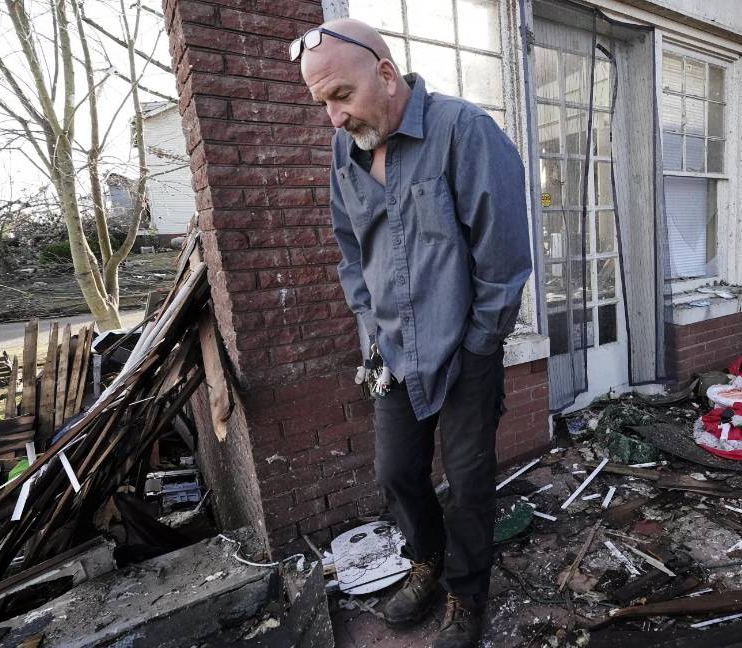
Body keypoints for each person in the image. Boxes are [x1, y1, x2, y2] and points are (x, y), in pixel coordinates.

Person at [295, 18, 532, 648]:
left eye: (340, 96)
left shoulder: (464, 131)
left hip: (464, 349)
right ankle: (427, 562)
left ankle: (466, 593)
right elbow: (352, 253)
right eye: (322, 104)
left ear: (386, 72)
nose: (334, 117)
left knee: (468, 483)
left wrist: (481, 345)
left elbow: (504, 258)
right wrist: (369, 324)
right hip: (391, 350)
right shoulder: (343, 157)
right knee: (397, 472)